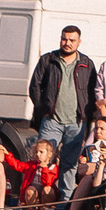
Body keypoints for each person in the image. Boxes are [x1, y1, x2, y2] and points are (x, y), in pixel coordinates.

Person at [28, 24, 97, 162]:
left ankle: (66, 179)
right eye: (64, 39)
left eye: (72, 40)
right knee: (42, 160)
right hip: (51, 120)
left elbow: (93, 91)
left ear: (79, 42)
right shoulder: (48, 60)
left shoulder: (87, 64)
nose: (67, 43)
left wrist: (86, 115)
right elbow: (35, 86)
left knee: (70, 164)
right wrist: (43, 109)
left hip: (76, 123)